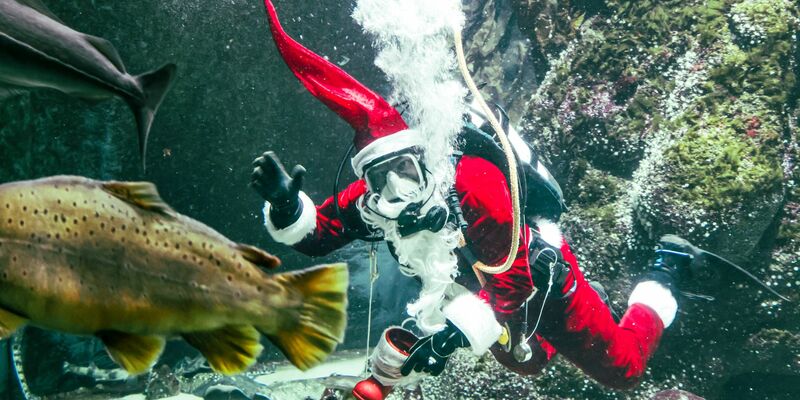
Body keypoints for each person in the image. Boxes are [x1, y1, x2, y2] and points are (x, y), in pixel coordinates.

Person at [252, 1, 700, 399]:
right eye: (380, 176)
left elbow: (513, 289)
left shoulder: (473, 185)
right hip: (479, 283)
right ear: (365, 176)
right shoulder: (373, 200)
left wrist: (450, 338)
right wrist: (288, 208)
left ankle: (666, 267)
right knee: (525, 361)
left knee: (623, 370)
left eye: (405, 170)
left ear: (422, 158)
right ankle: (581, 311)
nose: (396, 188)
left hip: (536, 275)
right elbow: (319, 234)